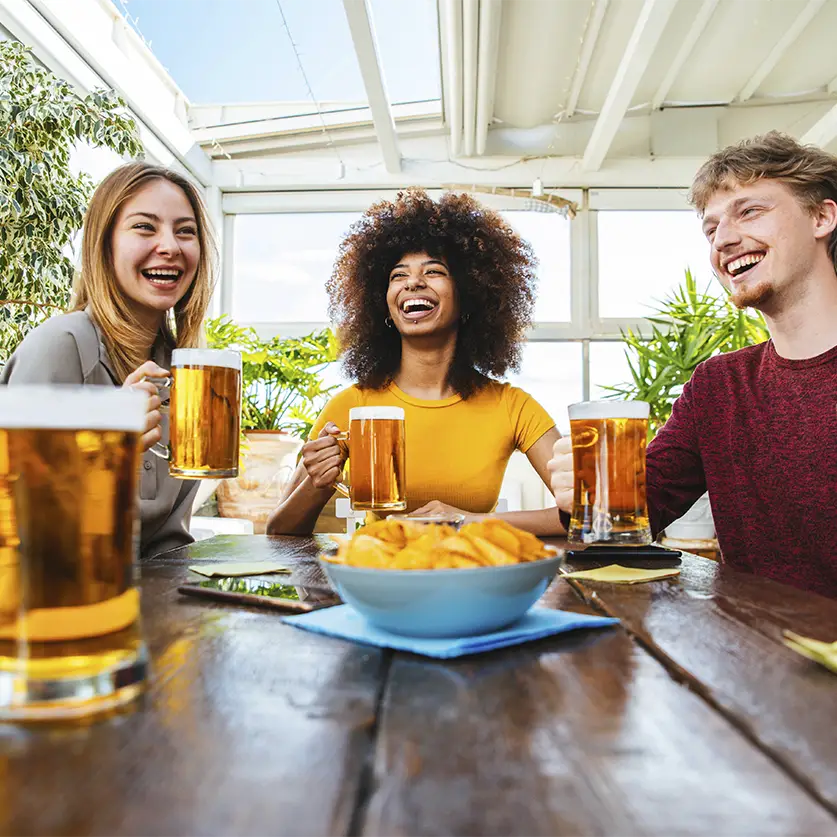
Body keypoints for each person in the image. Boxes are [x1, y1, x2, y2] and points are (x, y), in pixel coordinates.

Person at [549, 131, 837, 597]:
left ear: (822, 217)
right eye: (710, 228)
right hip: (758, 655)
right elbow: (647, 506)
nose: (723, 238)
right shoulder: (719, 385)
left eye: (749, 211)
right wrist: (588, 493)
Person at [267, 188, 563, 536]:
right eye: (397, 275)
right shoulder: (354, 405)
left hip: (471, 576)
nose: (413, 282)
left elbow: (583, 516)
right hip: (377, 576)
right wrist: (317, 483)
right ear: (385, 306)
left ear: (470, 295)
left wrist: (470, 522)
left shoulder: (513, 407)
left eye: (434, 271)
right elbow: (278, 530)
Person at [1, 161, 216, 558]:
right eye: (144, 227)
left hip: (147, 602)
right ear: (105, 244)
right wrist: (107, 450)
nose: (170, 246)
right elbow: (18, 523)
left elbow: (169, 543)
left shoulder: (183, 370)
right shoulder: (60, 346)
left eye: (185, 231)